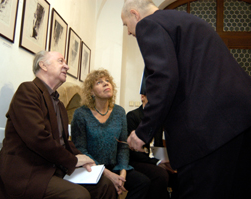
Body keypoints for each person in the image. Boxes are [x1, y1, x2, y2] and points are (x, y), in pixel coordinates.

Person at [121, 0, 251, 198]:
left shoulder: (149, 24)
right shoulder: (184, 20)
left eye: (126, 24)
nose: (129, 32)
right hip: (237, 122)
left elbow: (163, 78)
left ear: (135, 14)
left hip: (209, 131)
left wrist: (142, 133)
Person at [0, 51, 116, 199]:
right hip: (28, 173)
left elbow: (64, 142)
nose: (67, 66)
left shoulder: (59, 105)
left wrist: (83, 158)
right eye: (60, 61)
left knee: (105, 186)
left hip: (53, 170)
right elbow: (38, 138)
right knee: (78, 195)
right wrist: (74, 160)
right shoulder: (27, 91)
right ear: (43, 65)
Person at [71, 69, 150, 198]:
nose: (106, 84)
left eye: (108, 81)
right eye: (99, 82)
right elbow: (80, 149)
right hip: (91, 168)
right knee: (108, 187)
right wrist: (107, 173)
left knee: (143, 183)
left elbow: (123, 146)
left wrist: (123, 173)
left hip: (116, 166)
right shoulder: (81, 114)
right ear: (91, 91)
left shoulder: (119, 112)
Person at [127, 94, 178, 199]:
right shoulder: (132, 116)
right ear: (142, 97)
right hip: (136, 160)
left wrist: (166, 161)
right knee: (160, 174)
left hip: (154, 160)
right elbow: (132, 152)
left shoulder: (158, 119)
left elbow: (158, 146)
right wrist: (157, 162)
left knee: (179, 174)